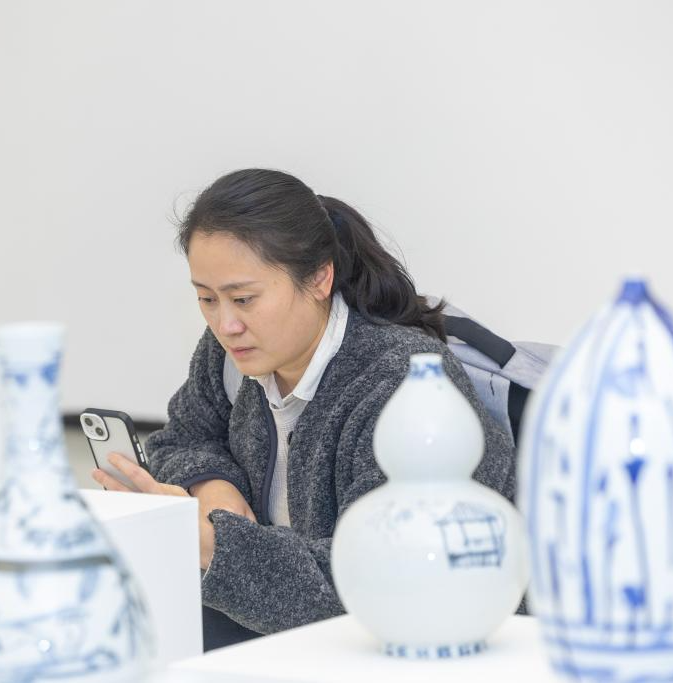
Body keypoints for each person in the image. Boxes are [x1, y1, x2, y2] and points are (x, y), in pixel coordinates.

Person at [90, 168, 515, 649]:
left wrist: (215, 547)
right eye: (206, 298)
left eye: (244, 299)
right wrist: (212, 487)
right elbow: (184, 437)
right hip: (279, 638)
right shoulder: (228, 354)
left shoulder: (400, 386)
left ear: (319, 278)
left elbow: (387, 585)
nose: (225, 324)